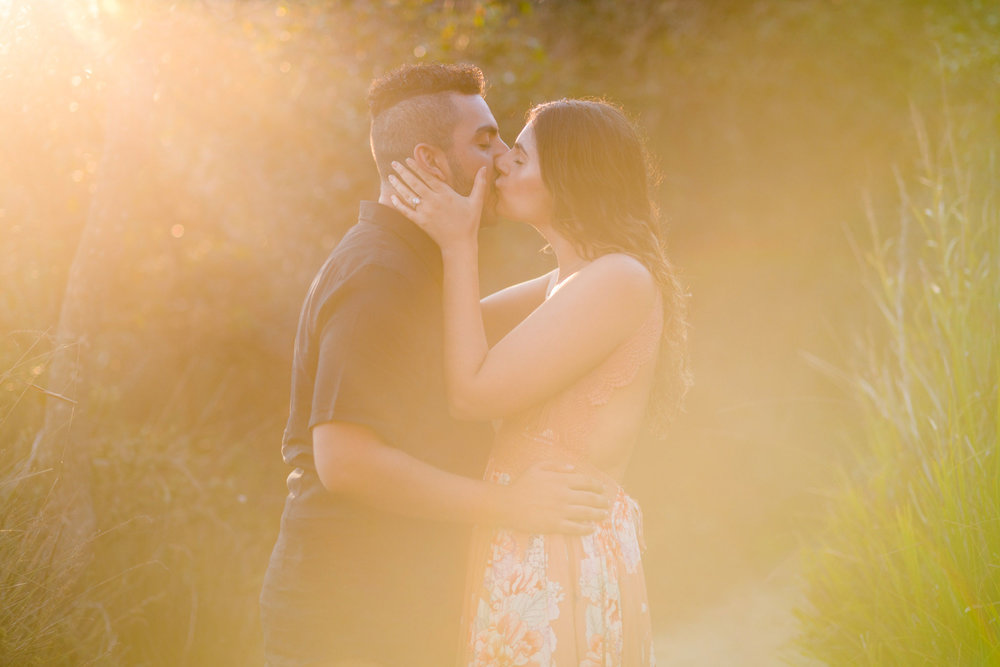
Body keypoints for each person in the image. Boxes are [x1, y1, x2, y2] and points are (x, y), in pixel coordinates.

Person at [259, 66, 612, 667]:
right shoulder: (379, 274)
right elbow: (344, 460)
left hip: (389, 596)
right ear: (427, 159)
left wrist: (606, 263)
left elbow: (517, 313)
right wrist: (511, 506)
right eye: (484, 141)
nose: (501, 158)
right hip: (345, 611)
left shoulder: (419, 261)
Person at [388, 98, 691, 665]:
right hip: (528, 540)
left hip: (559, 554)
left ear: (569, 177)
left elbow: (471, 393)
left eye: (520, 157)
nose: (500, 164)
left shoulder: (618, 279)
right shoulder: (569, 278)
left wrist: (460, 242)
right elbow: (451, 331)